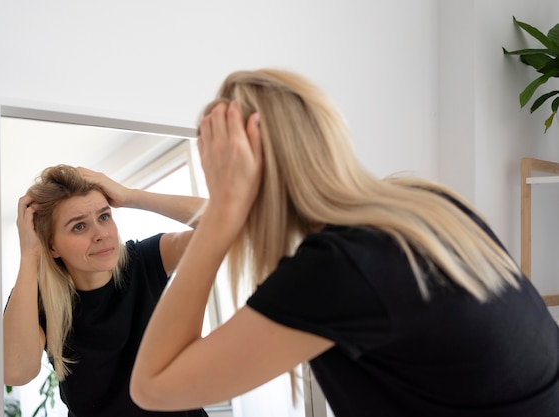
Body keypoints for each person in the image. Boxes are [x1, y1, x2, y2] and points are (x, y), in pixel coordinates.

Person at [129, 69, 559, 417]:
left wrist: (224, 207)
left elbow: (152, 386)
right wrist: (134, 197)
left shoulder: (338, 268)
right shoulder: (424, 206)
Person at [3, 164, 209, 417]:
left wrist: (131, 196)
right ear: (52, 247)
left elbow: (231, 222)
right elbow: (16, 371)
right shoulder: (39, 301)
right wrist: (30, 253)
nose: (101, 234)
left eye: (104, 217)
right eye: (79, 226)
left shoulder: (144, 260)